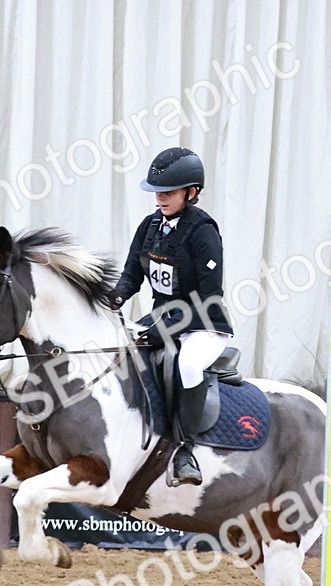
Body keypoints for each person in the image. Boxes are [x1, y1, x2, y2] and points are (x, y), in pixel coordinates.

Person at [107, 147, 233, 487]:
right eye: (157, 192)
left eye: (169, 192)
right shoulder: (150, 226)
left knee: (188, 364)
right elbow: (132, 275)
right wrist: (114, 298)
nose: (160, 198)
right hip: (162, 317)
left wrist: (164, 329)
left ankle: (185, 450)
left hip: (204, 324)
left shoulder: (203, 231)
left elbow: (209, 296)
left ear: (191, 193)